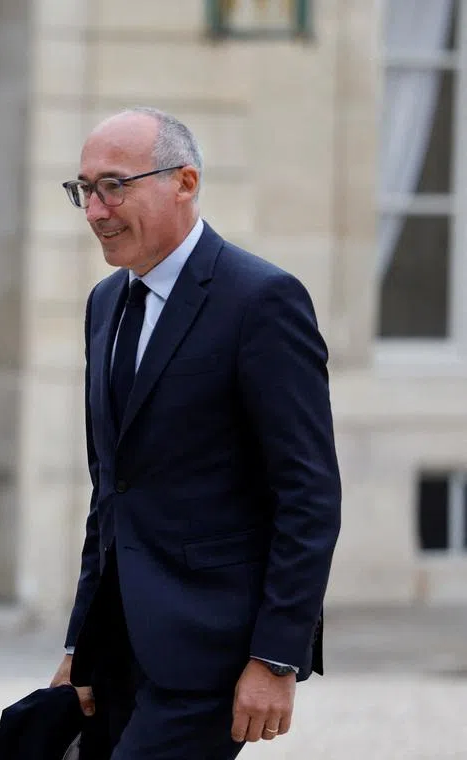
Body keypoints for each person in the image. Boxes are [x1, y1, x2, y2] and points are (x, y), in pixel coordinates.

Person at [48, 107, 342, 758]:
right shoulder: (104, 305)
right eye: (84, 189)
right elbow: (111, 498)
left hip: (214, 654)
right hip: (118, 648)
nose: (95, 210)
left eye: (114, 186)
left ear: (184, 182)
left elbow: (308, 495)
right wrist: (80, 647)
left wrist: (277, 656)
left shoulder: (262, 301)